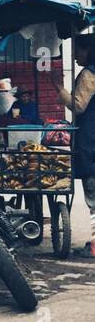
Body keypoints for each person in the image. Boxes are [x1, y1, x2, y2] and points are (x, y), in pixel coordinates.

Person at [50, 34, 95, 258]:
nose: (75, 55)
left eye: (78, 50)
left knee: (93, 196)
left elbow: (78, 106)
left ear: (89, 50)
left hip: (91, 142)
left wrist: (59, 88)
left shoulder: (89, 74)